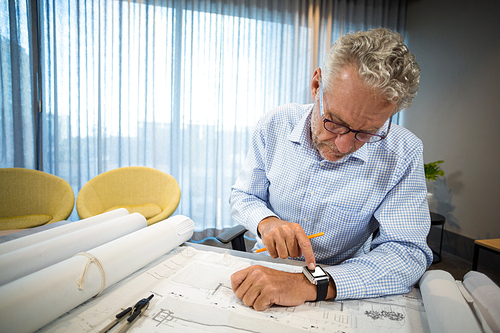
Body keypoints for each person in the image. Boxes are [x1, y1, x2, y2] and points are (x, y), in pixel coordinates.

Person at [229, 28, 433, 311]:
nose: (344, 144)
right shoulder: (274, 124)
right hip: (263, 270)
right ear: (316, 86)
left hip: (338, 290)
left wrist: (310, 283)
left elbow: (407, 253)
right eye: (334, 122)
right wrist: (267, 222)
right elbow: (243, 195)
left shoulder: (402, 152)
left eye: (367, 133)